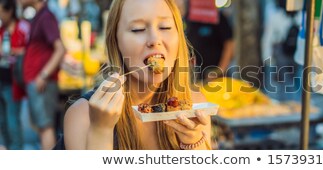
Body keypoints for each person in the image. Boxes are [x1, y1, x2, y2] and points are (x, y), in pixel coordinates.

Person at [62, 0, 211, 150]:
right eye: (137, 29)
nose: (154, 40)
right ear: (115, 42)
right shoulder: (82, 116)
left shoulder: (194, 106)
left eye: (165, 27)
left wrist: (194, 142)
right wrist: (101, 130)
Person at [19, 0, 66, 150]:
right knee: (42, 126)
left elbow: (60, 49)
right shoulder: (40, 16)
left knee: (46, 127)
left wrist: (43, 75)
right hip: (37, 81)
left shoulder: (46, 17)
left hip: (42, 83)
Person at [0, 0, 29, 150]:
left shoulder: (23, 27)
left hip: (14, 81)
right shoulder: (1, 29)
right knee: (2, 121)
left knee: (12, 120)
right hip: (2, 78)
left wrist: (13, 51)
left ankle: (16, 153)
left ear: (9, 11)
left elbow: (30, 50)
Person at [185, 7, 234, 81]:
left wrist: (220, 70)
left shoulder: (219, 17)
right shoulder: (189, 18)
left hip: (218, 76)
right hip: (196, 75)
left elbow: (229, 44)